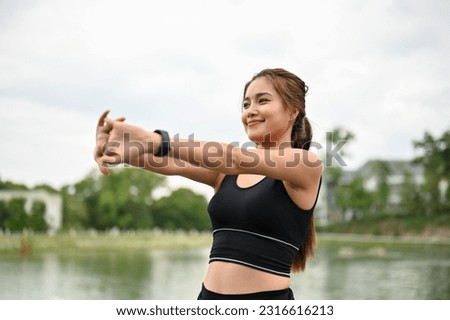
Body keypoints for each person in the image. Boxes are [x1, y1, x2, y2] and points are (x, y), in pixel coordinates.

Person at [94, 68, 323, 300]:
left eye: (262, 101)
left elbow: (234, 157)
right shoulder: (226, 174)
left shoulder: (306, 165)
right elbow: (172, 163)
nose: (250, 111)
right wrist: (113, 149)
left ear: (293, 111)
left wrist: (155, 139)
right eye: (245, 105)